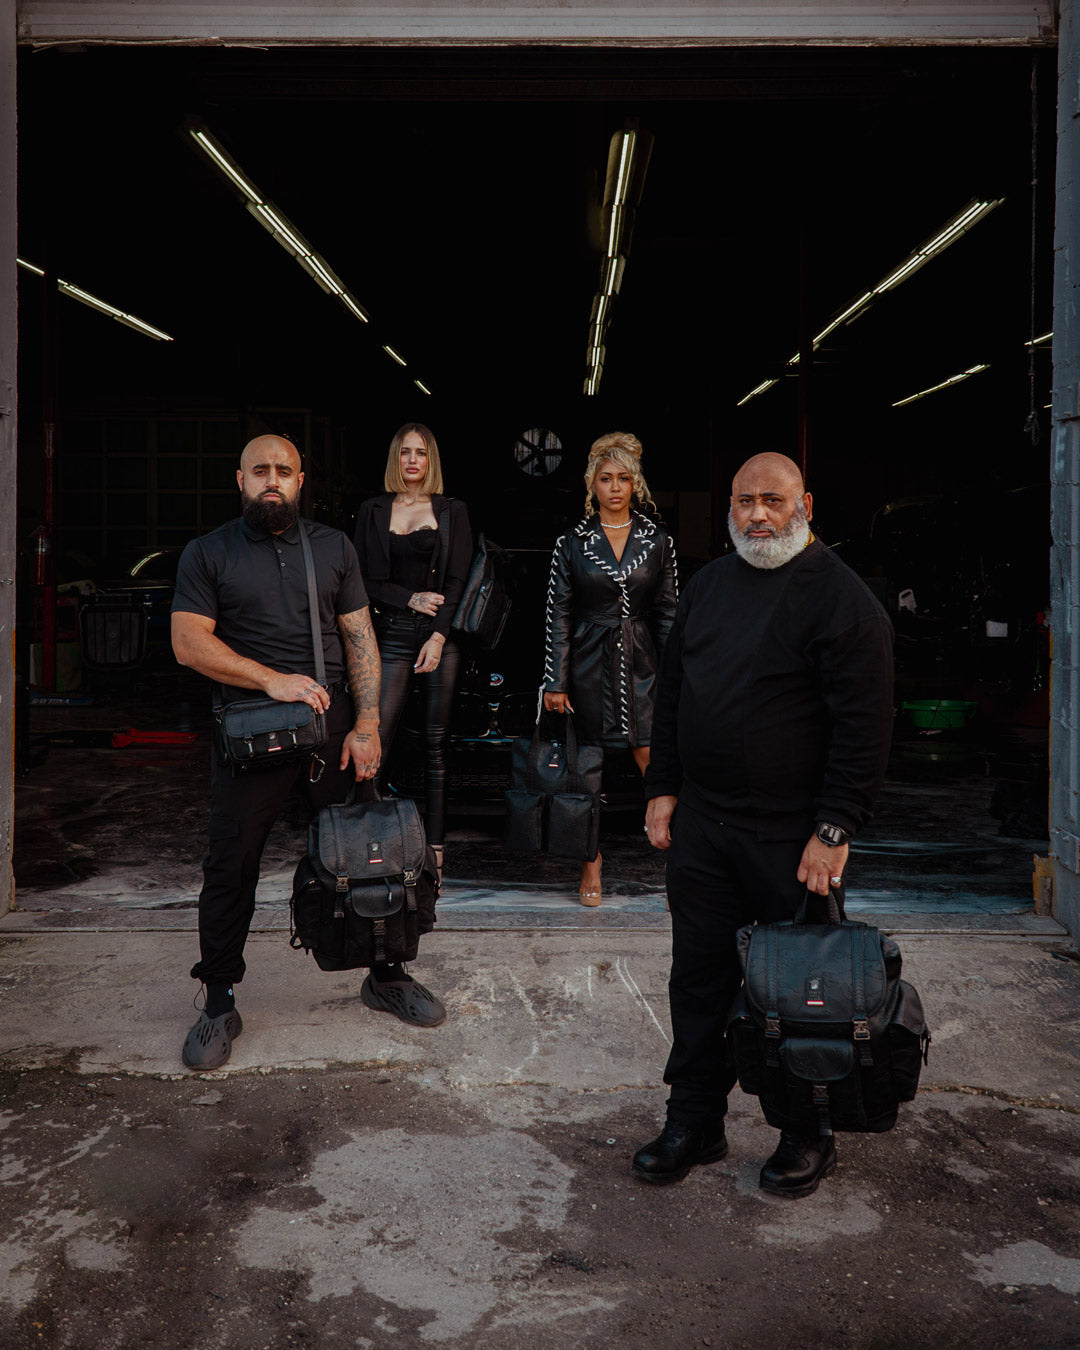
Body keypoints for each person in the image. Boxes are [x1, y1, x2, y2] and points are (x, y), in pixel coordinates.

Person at [633, 452, 894, 1197]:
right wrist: (663, 787)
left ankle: (806, 1132)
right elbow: (673, 694)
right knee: (698, 981)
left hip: (793, 837)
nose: (757, 514)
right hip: (705, 826)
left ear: (805, 504)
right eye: (744, 500)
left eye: (773, 501)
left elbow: (865, 725)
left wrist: (835, 828)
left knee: (802, 991)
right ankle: (694, 1121)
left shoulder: (842, 600)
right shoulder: (710, 585)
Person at [171, 434, 445, 1072]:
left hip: (333, 727)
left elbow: (359, 638)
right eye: (260, 470)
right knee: (231, 864)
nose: (272, 479)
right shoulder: (207, 553)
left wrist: (368, 724)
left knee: (372, 852)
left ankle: (386, 974)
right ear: (240, 479)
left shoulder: (332, 546)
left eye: (283, 470)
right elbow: (188, 643)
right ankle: (219, 1000)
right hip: (251, 731)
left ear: (300, 480)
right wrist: (272, 680)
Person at [542, 431, 678, 904]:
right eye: (606, 478)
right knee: (587, 771)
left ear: (635, 483)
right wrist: (555, 680)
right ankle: (591, 863)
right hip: (587, 664)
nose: (615, 487)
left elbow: (668, 614)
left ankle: (683, 862)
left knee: (654, 761)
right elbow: (559, 614)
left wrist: (675, 677)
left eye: (623, 478)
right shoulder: (571, 542)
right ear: (592, 484)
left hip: (642, 664)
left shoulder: (657, 540)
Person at [352, 423, 473, 883]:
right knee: (374, 738)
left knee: (435, 744)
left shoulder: (452, 510)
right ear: (395, 458)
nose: (412, 461)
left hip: (440, 636)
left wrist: (439, 637)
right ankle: (369, 846)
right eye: (405, 452)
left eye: (420, 453)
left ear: (430, 459)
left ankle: (436, 852)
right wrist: (409, 598)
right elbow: (361, 580)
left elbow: (458, 581)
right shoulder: (373, 509)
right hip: (393, 633)